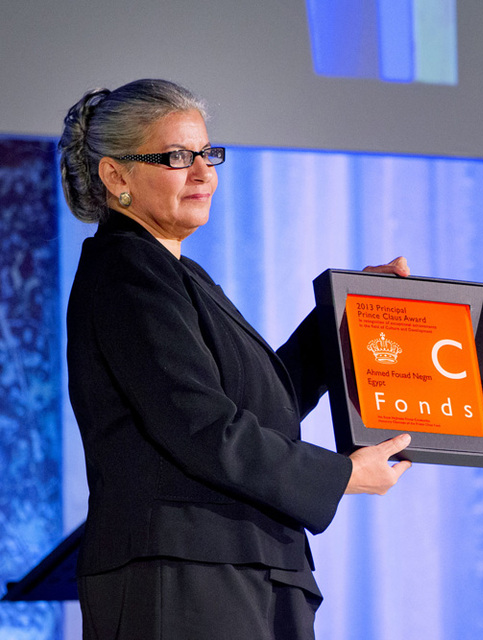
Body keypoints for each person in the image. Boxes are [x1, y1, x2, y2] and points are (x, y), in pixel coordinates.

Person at [59, 78, 413, 639]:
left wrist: (347, 317)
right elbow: (204, 428)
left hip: (244, 566)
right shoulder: (127, 270)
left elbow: (261, 405)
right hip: (186, 575)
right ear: (116, 176)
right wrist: (341, 475)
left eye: (208, 154)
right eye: (178, 157)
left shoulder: (178, 273)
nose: (203, 173)